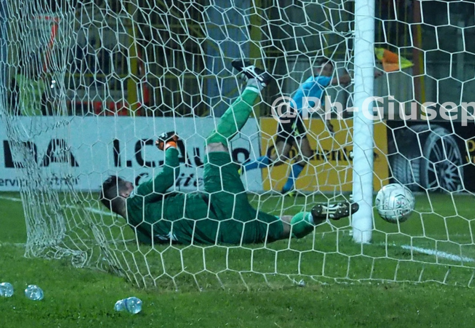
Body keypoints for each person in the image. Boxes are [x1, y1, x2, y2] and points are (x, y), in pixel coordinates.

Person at [100, 64, 355, 245]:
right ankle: (255, 82)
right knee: (215, 142)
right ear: (124, 193)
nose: (133, 183)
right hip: (221, 207)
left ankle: (314, 216)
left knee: (282, 227)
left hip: (229, 235)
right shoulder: (137, 199)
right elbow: (169, 175)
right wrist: (170, 146)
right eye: (128, 183)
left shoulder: (141, 233)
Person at [252, 59, 352, 193]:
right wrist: (364, 74)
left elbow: (320, 108)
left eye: (330, 70)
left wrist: (327, 124)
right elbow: (342, 80)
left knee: (280, 158)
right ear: (318, 70)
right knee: (306, 154)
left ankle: (243, 168)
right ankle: (288, 188)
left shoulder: (320, 89)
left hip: (290, 118)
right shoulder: (317, 80)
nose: (328, 72)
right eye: (325, 69)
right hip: (293, 117)